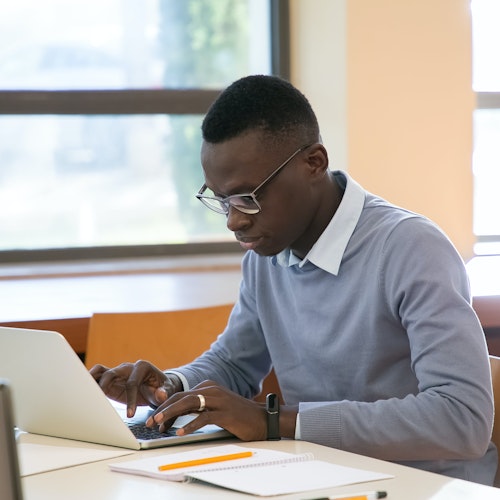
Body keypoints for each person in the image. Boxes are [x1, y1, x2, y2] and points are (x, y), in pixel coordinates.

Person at [91, 75, 496, 485]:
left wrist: (276, 421)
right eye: (221, 199)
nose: (234, 220)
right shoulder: (268, 248)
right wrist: (171, 387)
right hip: (321, 476)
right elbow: (234, 363)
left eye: (248, 197)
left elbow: (461, 418)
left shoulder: (411, 248)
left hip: (427, 485)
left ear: (313, 163)